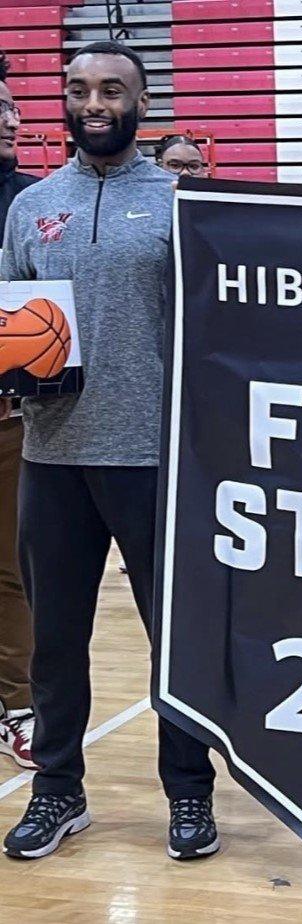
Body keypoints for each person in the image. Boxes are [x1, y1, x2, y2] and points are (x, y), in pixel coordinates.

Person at [0, 41, 219, 860]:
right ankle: (57, 791)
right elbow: (20, 327)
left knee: (176, 640)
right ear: (64, 98)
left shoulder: (176, 202)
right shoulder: (31, 208)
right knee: (57, 637)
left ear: (140, 101)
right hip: (52, 457)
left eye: (113, 90)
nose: (95, 102)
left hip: (153, 456)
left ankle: (189, 795)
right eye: (80, 88)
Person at [0, 48, 38, 771]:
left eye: (9, 105)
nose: (9, 116)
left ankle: (19, 705)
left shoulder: (32, 200)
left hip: (9, 413)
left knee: (11, 569)